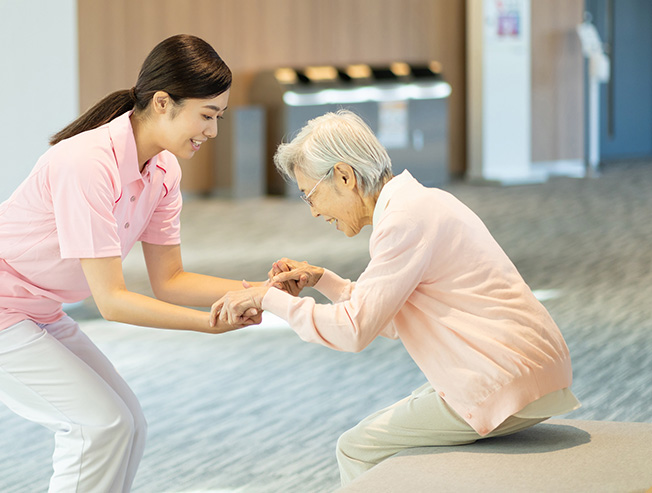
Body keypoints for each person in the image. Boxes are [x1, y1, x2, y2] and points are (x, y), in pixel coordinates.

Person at [0, 34, 262, 492]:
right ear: (163, 102)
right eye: (206, 115)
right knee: (98, 427)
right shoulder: (88, 162)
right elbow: (112, 301)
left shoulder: (164, 172)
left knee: (129, 426)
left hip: (38, 308)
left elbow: (170, 280)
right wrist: (210, 323)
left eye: (219, 117)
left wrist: (260, 291)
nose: (213, 131)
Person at [210, 110, 581, 486]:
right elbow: (385, 317)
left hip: (506, 380)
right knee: (398, 434)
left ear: (343, 176)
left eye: (309, 195)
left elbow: (354, 331)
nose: (315, 211)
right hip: (531, 372)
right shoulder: (419, 203)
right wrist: (325, 280)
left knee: (357, 448)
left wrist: (266, 299)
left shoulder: (404, 220)